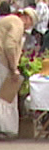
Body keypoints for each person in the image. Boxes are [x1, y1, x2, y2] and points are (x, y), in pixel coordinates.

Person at [1, 8, 36, 136]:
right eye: (30, 22)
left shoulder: (9, 19)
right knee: (6, 96)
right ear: (26, 18)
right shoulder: (17, 23)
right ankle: (6, 129)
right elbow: (10, 46)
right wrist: (13, 68)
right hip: (2, 62)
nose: (28, 26)